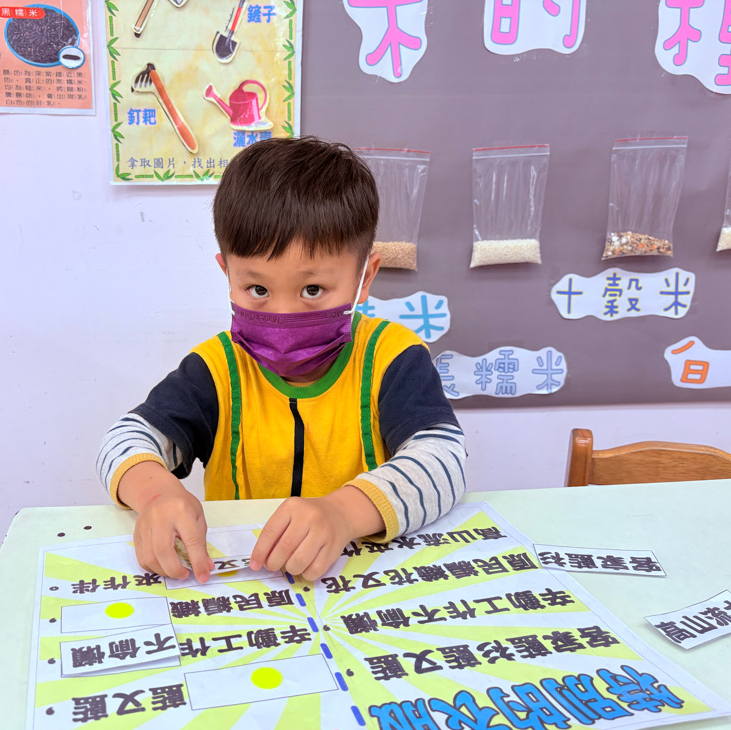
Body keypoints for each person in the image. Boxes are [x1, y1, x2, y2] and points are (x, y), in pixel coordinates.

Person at [97, 136, 465, 584]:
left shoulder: (393, 357)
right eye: (258, 289)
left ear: (364, 276)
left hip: (361, 584)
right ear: (227, 274)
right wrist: (155, 495)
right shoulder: (217, 368)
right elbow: (125, 440)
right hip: (248, 586)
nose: (284, 315)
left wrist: (343, 513)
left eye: (312, 290)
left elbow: (444, 461)